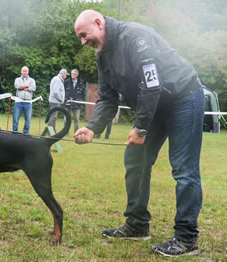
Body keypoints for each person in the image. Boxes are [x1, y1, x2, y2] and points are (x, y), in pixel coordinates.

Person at [74, 10, 205, 257]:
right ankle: (137, 224)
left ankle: (187, 239)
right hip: (155, 104)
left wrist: (141, 128)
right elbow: (107, 98)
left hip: (183, 98)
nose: (83, 42)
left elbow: (152, 83)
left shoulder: (135, 37)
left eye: (84, 35)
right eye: (79, 38)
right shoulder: (102, 56)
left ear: (99, 23)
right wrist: (92, 128)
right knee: (135, 158)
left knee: (184, 170)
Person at [12, 66, 36, 134]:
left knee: (28, 120)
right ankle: (14, 133)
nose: (24, 72)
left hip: (28, 102)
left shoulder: (32, 80)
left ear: (28, 72)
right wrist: (27, 86)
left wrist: (25, 88)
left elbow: (33, 88)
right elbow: (16, 86)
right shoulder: (17, 79)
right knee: (15, 119)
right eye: (23, 71)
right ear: (21, 71)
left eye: (26, 71)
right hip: (18, 102)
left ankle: (25, 134)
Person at [64, 69, 85, 133]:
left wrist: (79, 100)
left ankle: (76, 132)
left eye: (74, 74)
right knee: (66, 119)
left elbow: (83, 93)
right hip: (68, 103)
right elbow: (63, 91)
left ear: (77, 75)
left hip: (77, 104)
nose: (72, 75)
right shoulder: (67, 82)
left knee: (76, 119)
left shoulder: (81, 83)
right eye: (71, 73)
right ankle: (65, 132)